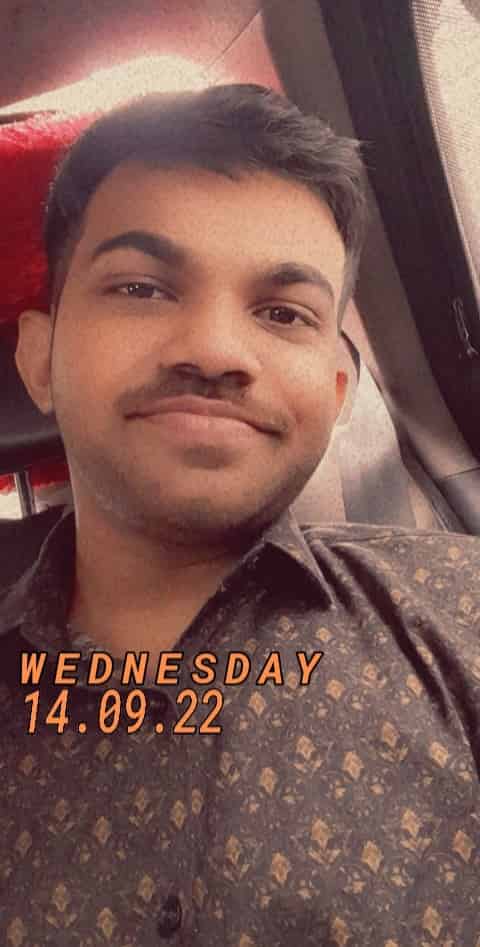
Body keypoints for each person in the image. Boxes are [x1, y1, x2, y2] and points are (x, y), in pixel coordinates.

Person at [1, 83, 478, 946]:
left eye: (282, 312)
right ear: (39, 360)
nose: (217, 351)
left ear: (337, 390)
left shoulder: (465, 613)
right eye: (142, 287)